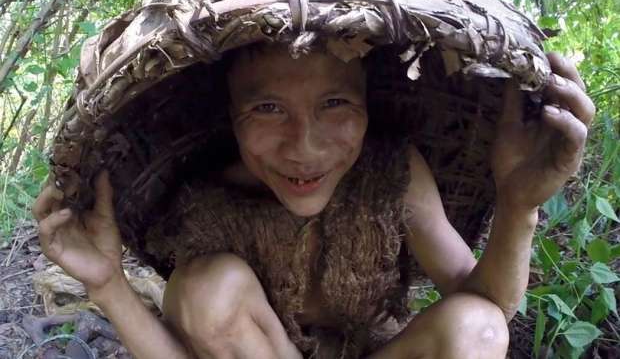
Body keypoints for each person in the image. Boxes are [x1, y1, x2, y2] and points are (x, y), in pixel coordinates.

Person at [33, 43, 595, 359]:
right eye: (268, 109)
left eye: (334, 104)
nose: (305, 148)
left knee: (477, 326)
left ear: (368, 106)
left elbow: (490, 306)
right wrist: (108, 285)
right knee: (206, 287)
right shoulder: (207, 208)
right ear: (231, 118)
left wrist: (518, 206)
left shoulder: (389, 173)